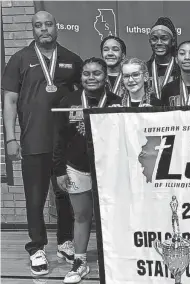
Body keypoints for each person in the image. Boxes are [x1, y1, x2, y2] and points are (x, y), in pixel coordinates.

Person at [2, 11, 81, 275]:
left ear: (56, 27)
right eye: (38, 25)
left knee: (65, 196)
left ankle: (65, 242)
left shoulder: (72, 60)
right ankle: (37, 248)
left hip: (65, 144)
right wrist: (10, 138)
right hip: (33, 140)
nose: (43, 29)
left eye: (48, 24)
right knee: (34, 199)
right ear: (33, 30)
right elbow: (10, 101)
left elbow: (83, 99)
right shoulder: (19, 59)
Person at [53, 58, 122, 284]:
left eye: (97, 73)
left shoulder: (117, 102)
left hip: (108, 168)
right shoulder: (69, 101)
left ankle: (116, 259)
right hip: (76, 167)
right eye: (86, 73)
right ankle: (80, 262)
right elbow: (59, 139)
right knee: (82, 216)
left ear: (105, 76)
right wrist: (59, 170)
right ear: (80, 77)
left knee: (112, 216)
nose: (91, 78)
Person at [147, 17, 181, 100]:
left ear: (173, 42)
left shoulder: (181, 69)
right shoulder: (144, 69)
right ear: (150, 42)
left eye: (164, 38)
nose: (159, 43)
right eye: (154, 39)